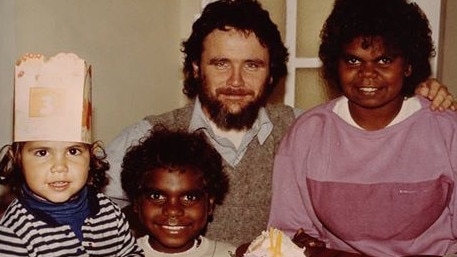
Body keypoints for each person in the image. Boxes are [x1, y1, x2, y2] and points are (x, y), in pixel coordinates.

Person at [104, 0, 455, 246]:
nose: (236, 80)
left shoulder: (304, 130)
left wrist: (419, 92)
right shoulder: (150, 137)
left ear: (272, 73)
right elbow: (89, 215)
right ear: (196, 68)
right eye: (221, 63)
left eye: (253, 65)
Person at [268, 0, 457, 256]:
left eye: (384, 60)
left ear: (409, 65)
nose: (368, 73)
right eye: (354, 60)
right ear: (336, 64)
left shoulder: (446, 130)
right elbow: (287, 238)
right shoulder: (307, 134)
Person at [0, 53, 143, 256]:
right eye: (42, 152)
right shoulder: (13, 230)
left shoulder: (109, 211)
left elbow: (130, 252)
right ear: (19, 159)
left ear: (91, 158)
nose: (60, 166)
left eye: (73, 151)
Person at [120, 126, 235, 256]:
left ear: (210, 204)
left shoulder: (232, 254)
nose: (173, 211)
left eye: (189, 198)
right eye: (156, 196)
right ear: (136, 202)